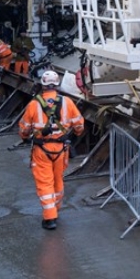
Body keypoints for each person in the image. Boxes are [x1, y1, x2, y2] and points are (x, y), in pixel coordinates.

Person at [18, 70, 85, 230]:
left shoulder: (34, 104)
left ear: (42, 85)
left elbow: (24, 129)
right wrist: (75, 132)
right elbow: (79, 125)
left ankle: (50, 218)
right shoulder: (68, 102)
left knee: (45, 183)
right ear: (57, 85)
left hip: (42, 150)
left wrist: (25, 137)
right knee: (58, 180)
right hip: (61, 149)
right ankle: (56, 209)